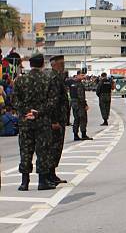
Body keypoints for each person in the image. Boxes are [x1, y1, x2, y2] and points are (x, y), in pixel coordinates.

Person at [12, 53, 59, 191]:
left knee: (25, 150)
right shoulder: (48, 79)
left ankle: (24, 182)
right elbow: (53, 101)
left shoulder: (20, 80)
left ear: (30, 64)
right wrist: (38, 112)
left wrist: (27, 111)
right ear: (42, 64)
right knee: (43, 150)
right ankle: (42, 181)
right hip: (42, 121)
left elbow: (14, 100)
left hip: (25, 120)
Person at [47, 55, 70, 185]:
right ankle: (50, 174)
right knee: (54, 146)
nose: (63, 65)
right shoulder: (54, 78)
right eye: (61, 63)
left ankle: (52, 173)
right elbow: (54, 101)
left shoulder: (58, 77)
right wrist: (54, 120)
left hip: (60, 118)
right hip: (56, 119)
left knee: (57, 147)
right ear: (54, 64)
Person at [68, 71, 93, 141]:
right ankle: (83, 134)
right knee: (83, 119)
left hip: (73, 103)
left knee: (76, 119)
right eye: (82, 75)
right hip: (79, 104)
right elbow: (81, 96)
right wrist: (85, 104)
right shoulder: (79, 84)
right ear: (77, 75)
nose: (83, 77)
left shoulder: (72, 83)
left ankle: (75, 135)